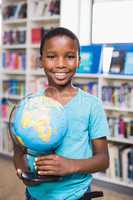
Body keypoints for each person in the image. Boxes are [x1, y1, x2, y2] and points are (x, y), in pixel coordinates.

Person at [13, 27, 110, 200]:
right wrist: (25, 175)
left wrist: (70, 165)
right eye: (51, 56)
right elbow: (19, 153)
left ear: (79, 60)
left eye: (70, 56)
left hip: (77, 194)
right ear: (41, 60)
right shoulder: (28, 106)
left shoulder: (92, 105)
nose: (61, 64)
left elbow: (103, 159)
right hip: (36, 194)